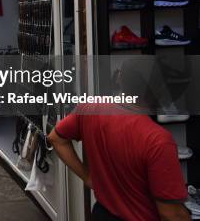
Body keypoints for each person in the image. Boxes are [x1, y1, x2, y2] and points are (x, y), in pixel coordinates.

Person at [48, 62, 190, 221]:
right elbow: (172, 214)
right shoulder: (157, 140)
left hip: (102, 214)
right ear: (160, 92)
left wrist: (88, 177)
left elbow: (56, 138)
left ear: (120, 80)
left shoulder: (90, 108)